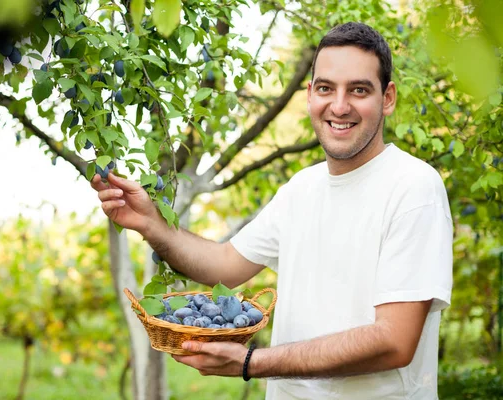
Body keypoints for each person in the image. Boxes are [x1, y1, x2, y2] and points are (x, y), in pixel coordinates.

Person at [90, 22, 453, 400]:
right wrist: (151, 224)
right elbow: (224, 264)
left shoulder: (413, 187)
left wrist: (251, 363)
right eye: (326, 88)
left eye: (359, 90)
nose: (340, 106)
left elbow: (393, 341)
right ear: (310, 94)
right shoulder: (301, 189)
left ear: (388, 98)